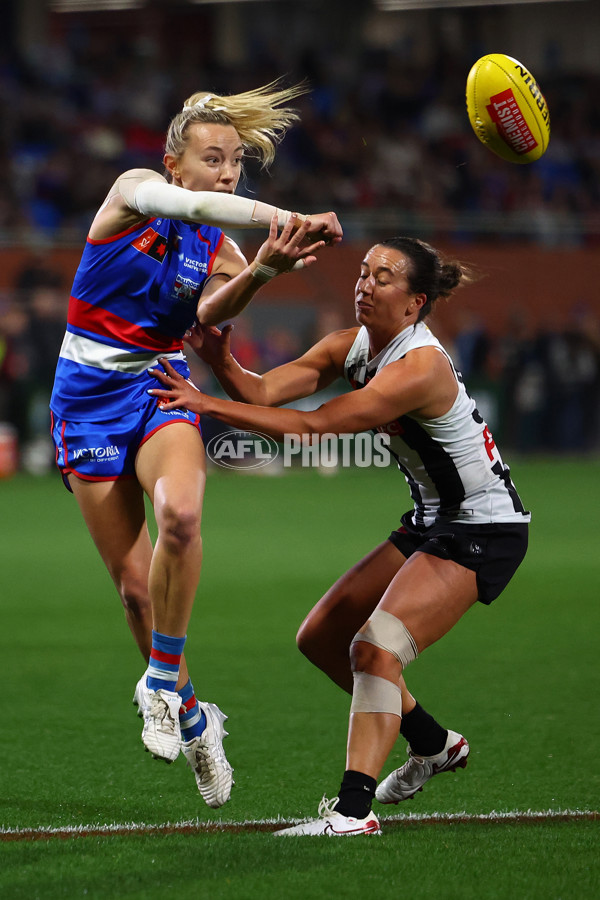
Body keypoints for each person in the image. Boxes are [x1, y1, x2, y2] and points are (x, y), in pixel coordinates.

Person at [149, 236, 530, 834]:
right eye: (363, 271)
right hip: (431, 520)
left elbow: (313, 428)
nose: (365, 284)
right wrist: (220, 363)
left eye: (383, 277)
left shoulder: (420, 367)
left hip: (482, 526)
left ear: (415, 303)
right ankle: (433, 743)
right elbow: (264, 391)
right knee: (322, 637)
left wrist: (204, 405)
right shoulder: (353, 346)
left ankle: (354, 812)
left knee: (374, 650)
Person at [49, 79, 342, 809]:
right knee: (133, 589)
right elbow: (198, 208)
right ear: (173, 163)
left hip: (159, 388)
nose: (228, 173)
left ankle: (158, 680)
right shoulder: (134, 191)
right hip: (86, 403)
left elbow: (210, 312)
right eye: (213, 158)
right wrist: (288, 218)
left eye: (236, 161)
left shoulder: (221, 245)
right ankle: (191, 714)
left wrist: (264, 269)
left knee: (180, 517)